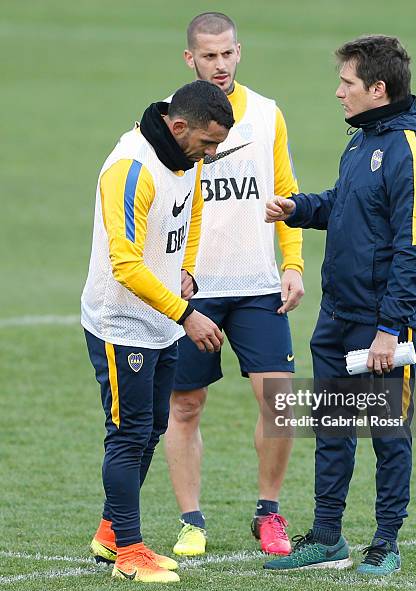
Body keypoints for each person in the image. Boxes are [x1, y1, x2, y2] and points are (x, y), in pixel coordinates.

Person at [264, 35, 416, 574]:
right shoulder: (362, 141)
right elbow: (345, 206)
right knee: (333, 428)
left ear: (378, 88)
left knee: (389, 433)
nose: (338, 92)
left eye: (346, 83)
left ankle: (386, 542)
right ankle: (327, 536)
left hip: (381, 327)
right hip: (337, 317)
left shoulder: (412, 154)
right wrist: (297, 208)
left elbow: (415, 252)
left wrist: (392, 329)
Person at [81, 80, 234, 583]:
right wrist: (186, 314)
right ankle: (129, 552)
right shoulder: (131, 167)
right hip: (120, 320)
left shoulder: (185, 160)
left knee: (152, 429)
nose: (212, 155)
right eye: (208, 143)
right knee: (127, 436)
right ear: (179, 126)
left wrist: (185, 272)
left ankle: (110, 533)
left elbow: (190, 216)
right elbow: (125, 263)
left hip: (162, 318)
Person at [163, 12, 304, 557]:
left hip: (258, 284)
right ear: (189, 59)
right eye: (208, 56)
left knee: (279, 402)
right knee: (186, 406)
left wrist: (291, 264)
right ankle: (190, 521)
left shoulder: (267, 115)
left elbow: (286, 193)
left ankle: (269, 512)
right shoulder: (169, 121)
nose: (219, 65)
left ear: (238, 52)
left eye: (228, 54)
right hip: (192, 289)